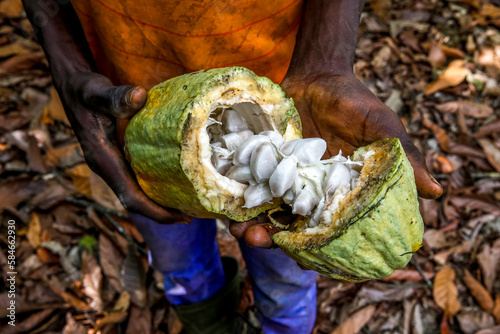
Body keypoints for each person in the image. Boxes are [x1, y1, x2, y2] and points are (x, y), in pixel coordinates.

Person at [23, 0, 443, 333]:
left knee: (286, 277)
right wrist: (66, 64)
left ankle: (281, 327)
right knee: (176, 258)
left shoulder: (290, 128)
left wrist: (325, 61)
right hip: (128, 102)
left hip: (290, 80)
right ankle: (206, 320)